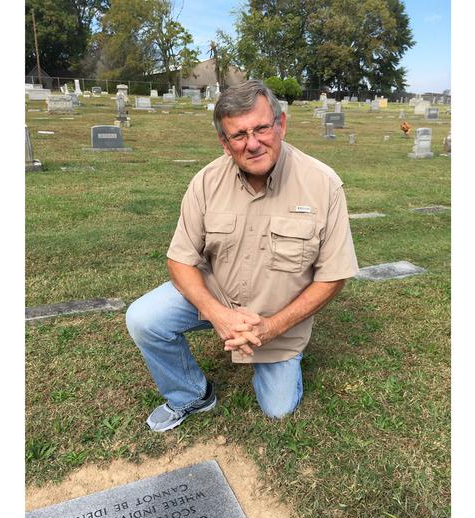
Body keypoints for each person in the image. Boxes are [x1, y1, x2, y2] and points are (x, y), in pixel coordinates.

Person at [126, 80, 358, 432]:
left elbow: (332, 276)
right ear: (224, 141)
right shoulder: (205, 182)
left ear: (281, 125)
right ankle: (190, 394)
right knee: (144, 318)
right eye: (238, 135)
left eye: (262, 128)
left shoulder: (323, 185)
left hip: (278, 320)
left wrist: (271, 328)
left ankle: (279, 356)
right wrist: (216, 314)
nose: (252, 144)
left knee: (278, 409)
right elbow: (180, 260)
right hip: (216, 296)